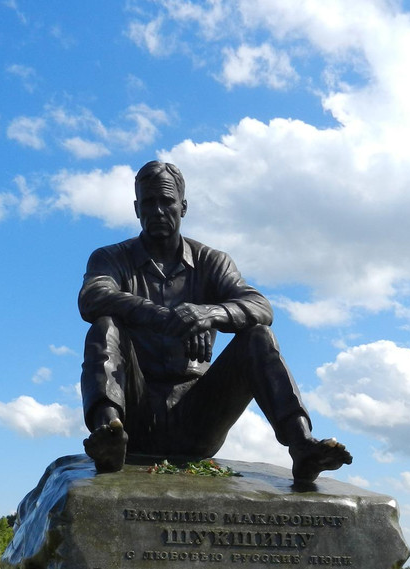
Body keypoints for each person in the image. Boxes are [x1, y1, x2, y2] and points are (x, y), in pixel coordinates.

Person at [79, 160, 352, 482]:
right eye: (149, 202)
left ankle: (302, 445)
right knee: (104, 325)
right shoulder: (111, 258)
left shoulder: (212, 261)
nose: (158, 210)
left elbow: (260, 306)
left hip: (199, 418)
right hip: (135, 418)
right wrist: (163, 316)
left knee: (258, 336)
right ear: (137, 208)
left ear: (183, 206)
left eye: (166, 201)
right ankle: (107, 434)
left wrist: (208, 314)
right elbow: (92, 297)